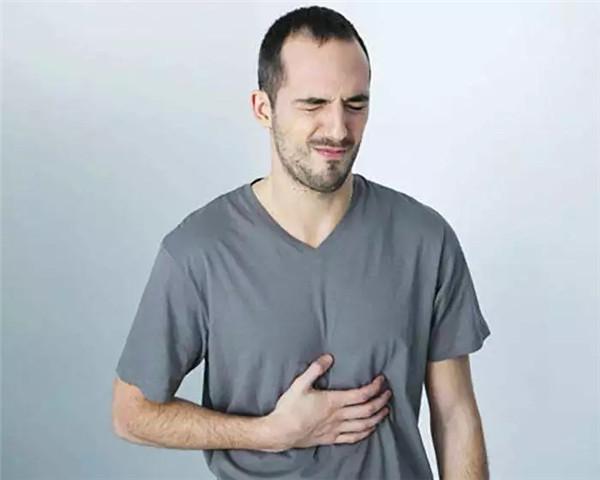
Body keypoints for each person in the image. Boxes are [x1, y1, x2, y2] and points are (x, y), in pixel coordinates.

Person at [112, 5, 491, 479]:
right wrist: (267, 433)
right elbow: (131, 412)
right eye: (313, 104)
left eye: (355, 105)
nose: (338, 129)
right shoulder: (198, 251)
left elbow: (455, 415)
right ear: (263, 108)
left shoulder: (425, 241)